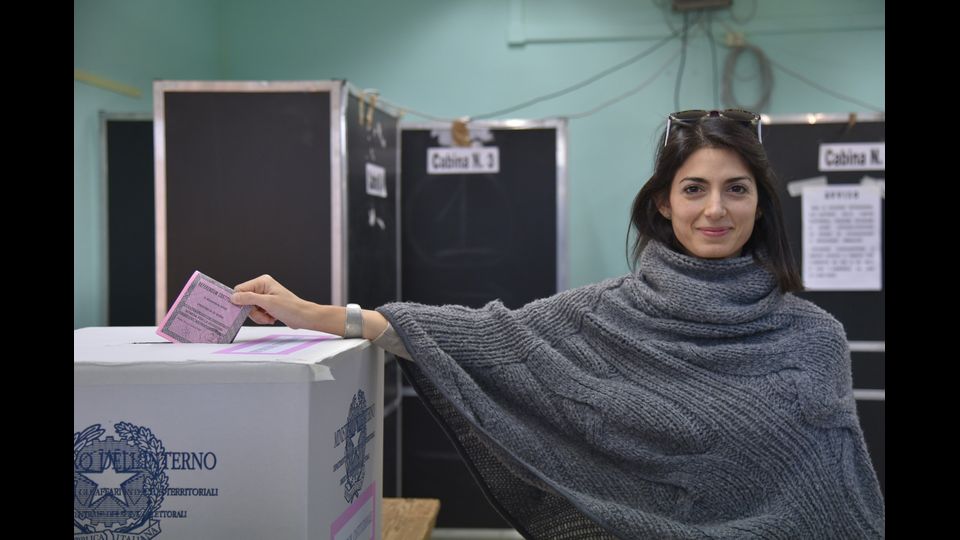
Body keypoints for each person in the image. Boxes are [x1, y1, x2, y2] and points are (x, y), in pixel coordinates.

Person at [231, 109, 885, 539]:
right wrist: (318, 315)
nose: (715, 208)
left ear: (761, 206)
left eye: (736, 189)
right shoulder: (601, 314)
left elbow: (834, 498)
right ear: (663, 202)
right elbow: (483, 336)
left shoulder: (813, 338)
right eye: (694, 188)